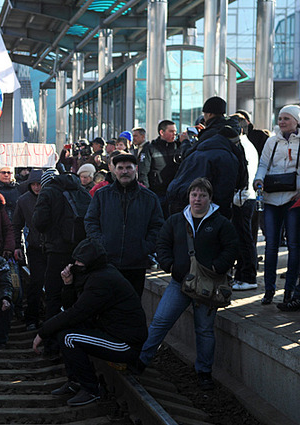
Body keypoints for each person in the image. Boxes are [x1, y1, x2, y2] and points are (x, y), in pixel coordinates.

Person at [136, 178, 239, 391]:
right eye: (194, 195)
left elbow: (232, 248)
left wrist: (216, 267)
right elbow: (162, 243)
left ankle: (204, 373)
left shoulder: (221, 223)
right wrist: (170, 266)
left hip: (208, 287)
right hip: (179, 282)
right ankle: (140, 361)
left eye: (202, 195)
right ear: (189, 197)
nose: (197, 199)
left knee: (204, 330)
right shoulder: (175, 221)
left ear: (210, 198)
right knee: (160, 321)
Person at [32, 238, 147, 406]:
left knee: (69, 338)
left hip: (125, 343)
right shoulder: (96, 274)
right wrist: (68, 285)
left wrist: (42, 332)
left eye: (80, 262)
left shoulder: (101, 280)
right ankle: (76, 381)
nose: (75, 265)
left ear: (90, 263)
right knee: (65, 331)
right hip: (110, 331)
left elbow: (76, 312)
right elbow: (74, 309)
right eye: (76, 260)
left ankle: (91, 389)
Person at [84, 153, 164, 296]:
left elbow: (157, 226)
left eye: (128, 167)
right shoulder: (102, 195)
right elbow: (91, 221)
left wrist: (144, 247)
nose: (124, 171)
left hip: (136, 264)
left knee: (132, 307)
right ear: (114, 170)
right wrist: (101, 242)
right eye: (120, 168)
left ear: (136, 169)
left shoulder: (149, 198)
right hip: (107, 262)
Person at [33, 168, 91, 356]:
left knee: (53, 297)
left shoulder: (48, 192)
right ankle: (76, 342)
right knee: (77, 299)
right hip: (80, 253)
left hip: (57, 251)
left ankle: (52, 345)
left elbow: (39, 222)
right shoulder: (80, 189)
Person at [253, 105, 300, 307]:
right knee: (271, 246)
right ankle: (269, 290)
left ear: (297, 120)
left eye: (286, 118)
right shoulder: (272, 141)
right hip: (272, 198)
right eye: (280, 118)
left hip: (294, 199)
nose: (281, 122)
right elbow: (263, 164)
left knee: (294, 246)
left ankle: (289, 290)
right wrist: (258, 180)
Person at [13, 170, 45, 330]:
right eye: (34, 184)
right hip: (35, 246)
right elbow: (17, 225)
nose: (37, 187)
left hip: (54, 247)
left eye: (40, 184)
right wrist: (17, 246)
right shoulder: (23, 200)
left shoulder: (53, 196)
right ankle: (31, 318)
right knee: (36, 283)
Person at [230, 113, 260, 291]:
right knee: (242, 239)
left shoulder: (243, 145)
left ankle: (248, 277)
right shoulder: (242, 144)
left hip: (244, 198)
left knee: (245, 240)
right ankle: (242, 275)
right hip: (243, 197)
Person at [138, 119, 181, 217]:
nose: (174, 134)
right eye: (171, 131)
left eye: (175, 132)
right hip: (157, 193)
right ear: (162, 132)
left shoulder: (178, 147)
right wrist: (148, 193)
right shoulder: (150, 148)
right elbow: (143, 172)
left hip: (174, 194)